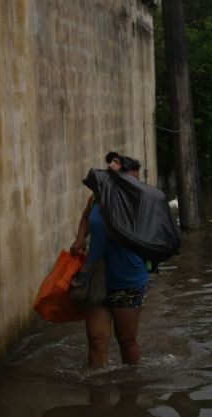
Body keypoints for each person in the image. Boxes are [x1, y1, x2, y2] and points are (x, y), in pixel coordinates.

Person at [70, 152, 149, 367]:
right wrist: (79, 240)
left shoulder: (139, 202)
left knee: (126, 341)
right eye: (129, 179)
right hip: (96, 278)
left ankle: (131, 391)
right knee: (96, 340)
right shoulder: (96, 197)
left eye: (136, 180)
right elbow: (86, 217)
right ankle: (98, 394)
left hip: (128, 280)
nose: (135, 184)